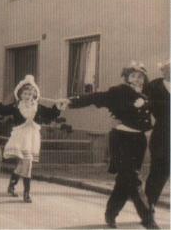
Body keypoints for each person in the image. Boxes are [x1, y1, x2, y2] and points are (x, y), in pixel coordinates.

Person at [62, 61, 158, 229]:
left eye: (140, 76)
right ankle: (148, 220)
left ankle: (111, 214)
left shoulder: (147, 94)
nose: (137, 79)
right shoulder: (119, 91)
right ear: (127, 78)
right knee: (133, 179)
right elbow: (96, 97)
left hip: (139, 141)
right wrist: (71, 102)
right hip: (122, 139)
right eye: (133, 76)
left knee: (124, 180)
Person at [0, 75, 62, 203]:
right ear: (20, 94)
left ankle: (12, 185)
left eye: (31, 93)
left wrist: (58, 105)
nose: (28, 95)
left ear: (34, 94)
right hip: (20, 138)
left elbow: (51, 114)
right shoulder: (15, 106)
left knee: (23, 163)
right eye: (25, 93)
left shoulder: (38, 107)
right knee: (27, 163)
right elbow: (2, 110)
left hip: (32, 138)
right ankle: (26, 193)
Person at [145, 59, 170, 222]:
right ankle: (150, 203)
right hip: (161, 132)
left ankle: (151, 200)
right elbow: (142, 104)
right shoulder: (154, 86)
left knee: (167, 170)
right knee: (157, 168)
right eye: (168, 68)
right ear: (163, 70)